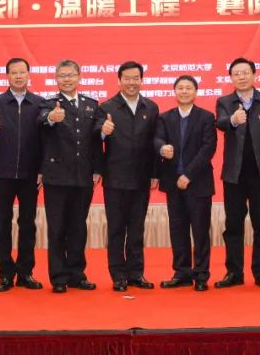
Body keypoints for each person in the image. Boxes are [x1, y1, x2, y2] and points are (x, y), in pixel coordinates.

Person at [214, 57, 260, 290]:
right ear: (231, 78)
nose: (241, 77)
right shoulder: (225, 101)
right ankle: (234, 272)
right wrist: (233, 120)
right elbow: (220, 123)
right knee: (233, 225)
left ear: (254, 75)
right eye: (236, 74)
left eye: (245, 72)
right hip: (234, 174)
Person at [38, 59, 105, 293]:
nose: (66, 79)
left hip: (83, 176)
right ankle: (58, 277)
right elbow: (41, 121)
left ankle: (77, 274)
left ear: (79, 77)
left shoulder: (91, 104)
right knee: (57, 228)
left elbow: (95, 139)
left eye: (70, 75)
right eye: (62, 76)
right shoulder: (48, 103)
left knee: (78, 227)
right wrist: (51, 118)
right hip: (56, 176)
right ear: (56, 79)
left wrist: (97, 169)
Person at [0, 57, 46, 292]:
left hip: (30, 174)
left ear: (29, 75)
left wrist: (42, 170)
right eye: (14, 72)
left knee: (28, 224)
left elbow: (46, 139)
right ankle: (6, 274)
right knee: (2, 224)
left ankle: (25, 273)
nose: (19, 76)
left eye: (22, 72)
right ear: (7, 76)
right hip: (3, 173)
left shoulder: (39, 103)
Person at [98, 61, 160, 292]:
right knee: (116, 229)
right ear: (119, 80)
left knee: (136, 229)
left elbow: (156, 142)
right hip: (115, 178)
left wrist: (155, 174)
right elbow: (95, 139)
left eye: (136, 78)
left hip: (142, 178)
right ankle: (118, 275)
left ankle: (136, 273)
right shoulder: (107, 107)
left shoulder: (151, 107)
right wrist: (102, 132)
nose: (132, 82)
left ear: (141, 80)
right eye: (127, 78)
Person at [155, 76, 217, 292]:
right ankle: (181, 273)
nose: (184, 91)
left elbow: (208, 148)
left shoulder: (206, 117)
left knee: (200, 231)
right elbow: (157, 138)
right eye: (180, 88)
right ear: (174, 92)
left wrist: (188, 175)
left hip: (198, 183)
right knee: (178, 230)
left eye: (188, 88)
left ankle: (201, 274)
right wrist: (162, 148)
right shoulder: (165, 117)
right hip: (173, 183)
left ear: (195, 92)